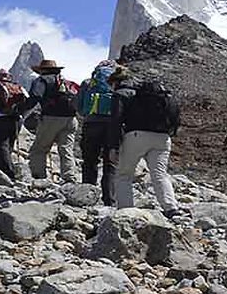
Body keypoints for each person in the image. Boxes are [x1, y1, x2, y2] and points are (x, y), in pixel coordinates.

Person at [110, 73, 183, 217]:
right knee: (160, 174)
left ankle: (126, 210)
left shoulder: (128, 96)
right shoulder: (163, 99)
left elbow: (116, 121)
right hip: (163, 138)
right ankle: (171, 208)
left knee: (124, 175)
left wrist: (114, 145)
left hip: (136, 135)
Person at [22, 60, 79, 184]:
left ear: (42, 70)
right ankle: (69, 177)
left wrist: (21, 111)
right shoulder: (65, 82)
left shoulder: (41, 81)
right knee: (66, 149)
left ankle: (39, 177)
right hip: (71, 119)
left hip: (51, 117)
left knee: (39, 148)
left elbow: (35, 98)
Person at [77, 60, 118, 206]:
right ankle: (109, 199)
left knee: (89, 160)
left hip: (91, 124)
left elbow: (79, 106)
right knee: (110, 163)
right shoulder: (117, 83)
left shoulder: (88, 83)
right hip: (112, 126)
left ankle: (87, 196)